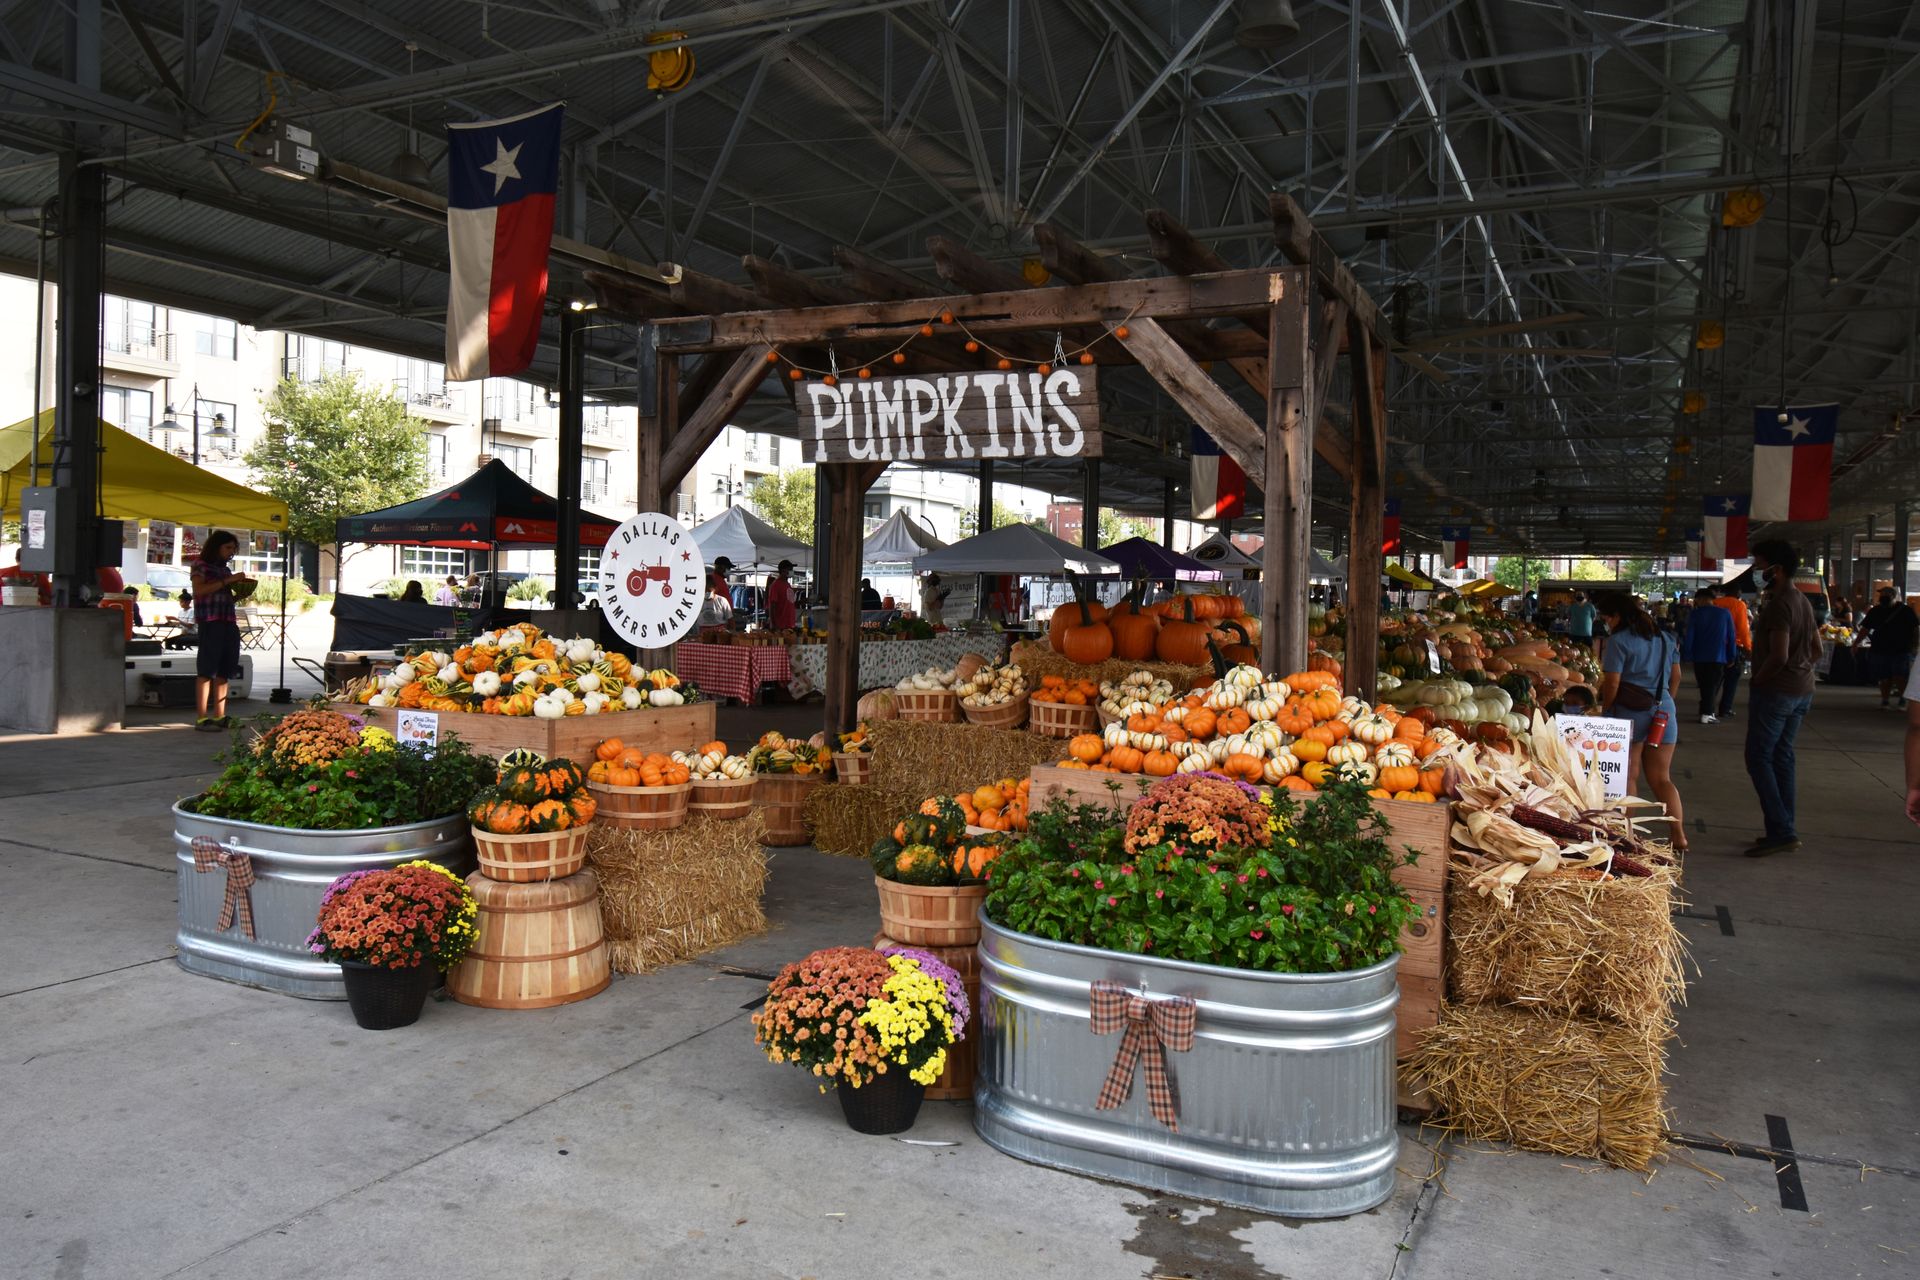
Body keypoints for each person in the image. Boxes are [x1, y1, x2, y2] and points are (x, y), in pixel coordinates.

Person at [1743, 539, 1823, 858]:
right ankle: (1782, 827)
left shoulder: (1779, 605)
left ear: (1775, 569)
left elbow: (1778, 655)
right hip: (1802, 691)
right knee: (1782, 757)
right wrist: (1800, 671)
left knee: (1758, 757)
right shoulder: (1801, 600)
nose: (1757, 572)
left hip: (1776, 692)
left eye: (1760, 566)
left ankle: (1782, 828)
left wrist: (1758, 681)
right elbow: (1816, 649)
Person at [1594, 590, 1686, 853]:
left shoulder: (1619, 641)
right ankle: (1678, 835)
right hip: (1663, 711)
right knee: (1662, 779)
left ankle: (1627, 833)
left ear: (1617, 616)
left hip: (1629, 712)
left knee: (1629, 774)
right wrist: (1665, 703)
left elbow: (1612, 682)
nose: (1606, 623)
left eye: (1607, 618)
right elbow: (1676, 677)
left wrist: (1606, 710)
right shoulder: (1667, 639)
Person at [190, 530, 254, 732]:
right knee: (206, 669)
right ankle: (201, 718)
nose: (231, 552)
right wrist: (228, 581)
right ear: (216, 546)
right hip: (210, 622)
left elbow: (221, 595)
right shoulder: (200, 565)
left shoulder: (224, 570)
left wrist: (240, 591)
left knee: (225, 669)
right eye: (228, 547)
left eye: (234, 549)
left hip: (228, 621)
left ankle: (220, 715)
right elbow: (199, 591)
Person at [1854, 586, 1918, 709]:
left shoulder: (1906, 611)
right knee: (1884, 677)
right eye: (1882, 595)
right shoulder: (1875, 611)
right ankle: (1885, 700)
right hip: (1880, 649)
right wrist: (1856, 642)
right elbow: (1865, 629)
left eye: (1886, 595)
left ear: (1894, 597)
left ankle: (1902, 699)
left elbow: (1915, 629)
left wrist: (1915, 646)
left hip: (1901, 649)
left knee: (1900, 676)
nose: (1883, 598)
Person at [1681, 588, 1738, 724]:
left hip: (1699, 656)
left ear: (1702, 598)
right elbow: (1731, 636)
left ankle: (1706, 711)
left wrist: (1687, 655)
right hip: (1718, 656)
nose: (1696, 602)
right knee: (1712, 685)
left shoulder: (1695, 614)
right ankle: (1707, 713)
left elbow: (1689, 636)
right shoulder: (1725, 614)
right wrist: (1732, 655)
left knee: (1704, 684)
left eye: (1697, 599)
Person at [1710, 583, 1752, 719]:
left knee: (1715, 680)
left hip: (1715, 646)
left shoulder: (1715, 602)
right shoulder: (1739, 605)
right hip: (1734, 646)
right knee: (1731, 680)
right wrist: (1748, 647)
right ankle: (1725, 709)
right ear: (1736, 592)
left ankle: (1708, 708)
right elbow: (1743, 629)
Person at [766, 559, 798, 631]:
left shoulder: (787, 584)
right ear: (783, 570)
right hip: (780, 626)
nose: (791, 571)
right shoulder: (776, 585)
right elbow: (772, 605)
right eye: (790, 569)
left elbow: (788, 602)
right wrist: (773, 624)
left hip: (789, 624)